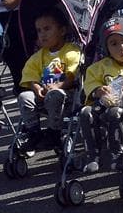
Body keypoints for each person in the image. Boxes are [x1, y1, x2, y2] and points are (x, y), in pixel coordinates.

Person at [79, 16, 123, 173]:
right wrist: (97, 89)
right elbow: (89, 82)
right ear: (107, 48)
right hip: (104, 106)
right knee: (85, 112)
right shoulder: (101, 66)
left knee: (115, 112)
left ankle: (118, 154)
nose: (122, 47)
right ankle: (92, 154)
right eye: (114, 44)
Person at [17, 8, 80, 151]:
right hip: (45, 94)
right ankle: (33, 132)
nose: (42, 34)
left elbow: (73, 75)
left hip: (66, 95)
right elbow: (30, 74)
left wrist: (60, 85)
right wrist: (36, 88)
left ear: (62, 31)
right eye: (39, 31)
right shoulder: (39, 56)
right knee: (24, 96)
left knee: (55, 95)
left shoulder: (71, 51)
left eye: (47, 29)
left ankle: (54, 131)